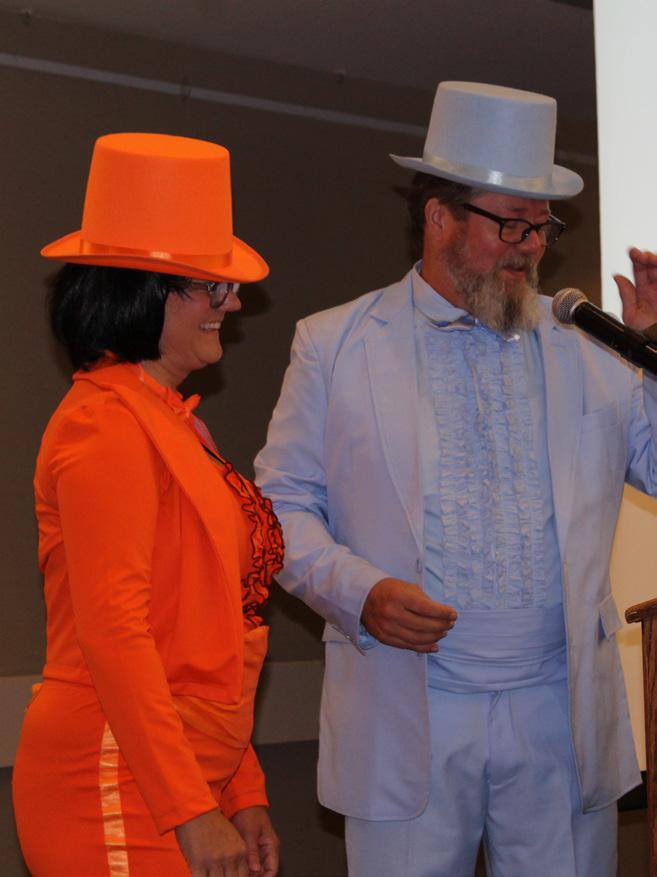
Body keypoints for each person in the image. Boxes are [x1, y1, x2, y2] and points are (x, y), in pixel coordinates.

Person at [254, 81, 657, 877]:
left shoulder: (593, 346)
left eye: (542, 227)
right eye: (510, 224)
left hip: (559, 707)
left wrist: (649, 359)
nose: (530, 247)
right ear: (438, 217)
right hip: (407, 701)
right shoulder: (333, 344)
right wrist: (360, 591)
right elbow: (279, 506)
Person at [13, 132, 282, 877]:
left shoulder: (166, 417)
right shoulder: (106, 422)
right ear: (141, 291)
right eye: (211, 286)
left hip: (172, 778)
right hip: (116, 777)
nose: (232, 302)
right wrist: (192, 807)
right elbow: (116, 634)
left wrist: (240, 790)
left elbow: (212, 635)